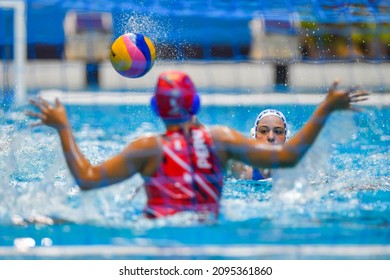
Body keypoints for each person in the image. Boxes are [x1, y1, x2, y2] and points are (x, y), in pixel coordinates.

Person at [26, 70, 368, 220]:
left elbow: (87, 179)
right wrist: (326, 107)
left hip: (151, 232)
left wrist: (63, 128)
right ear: (197, 105)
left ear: (156, 110)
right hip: (211, 228)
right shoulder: (222, 140)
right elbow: (291, 158)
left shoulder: (145, 148)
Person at [230, 109, 290, 180]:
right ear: (254, 136)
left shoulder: (295, 172)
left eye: (278, 132)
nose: (271, 137)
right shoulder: (243, 170)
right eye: (264, 131)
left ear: (286, 137)